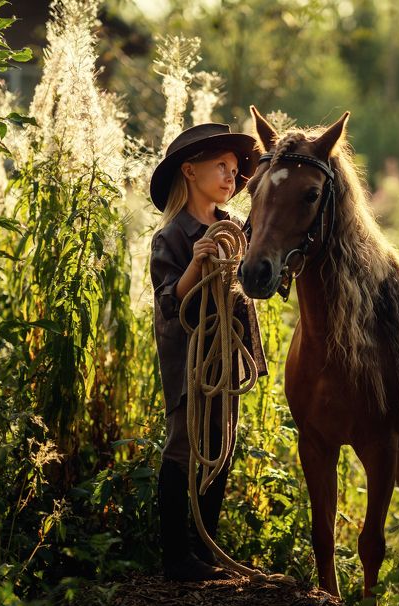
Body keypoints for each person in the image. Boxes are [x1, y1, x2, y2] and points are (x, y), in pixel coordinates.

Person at [148, 123, 268, 581]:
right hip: (190, 359)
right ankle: (176, 556)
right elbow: (168, 302)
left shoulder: (236, 229)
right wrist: (198, 263)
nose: (230, 177)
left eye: (236, 171)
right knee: (184, 446)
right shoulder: (173, 236)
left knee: (221, 445)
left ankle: (205, 549)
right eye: (221, 166)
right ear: (189, 170)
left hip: (225, 357)